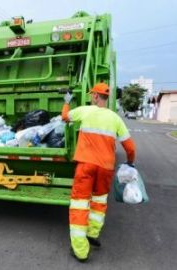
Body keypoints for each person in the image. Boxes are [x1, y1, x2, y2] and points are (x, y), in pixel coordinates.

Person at [61, 83, 136, 262]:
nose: (90, 97)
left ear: (95, 96)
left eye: (91, 95)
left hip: (86, 166)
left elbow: (64, 117)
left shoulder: (86, 111)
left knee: (79, 205)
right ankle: (92, 234)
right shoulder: (115, 118)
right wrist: (130, 163)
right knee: (98, 203)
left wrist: (66, 101)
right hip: (105, 168)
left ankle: (80, 250)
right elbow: (130, 147)